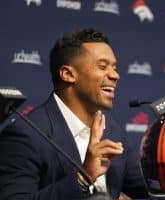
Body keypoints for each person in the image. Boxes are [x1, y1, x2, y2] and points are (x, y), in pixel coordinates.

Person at [0, 28, 148, 200]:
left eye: (114, 67)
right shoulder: (25, 135)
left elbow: (145, 190)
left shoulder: (113, 129)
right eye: (102, 66)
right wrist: (83, 178)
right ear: (68, 74)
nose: (115, 75)